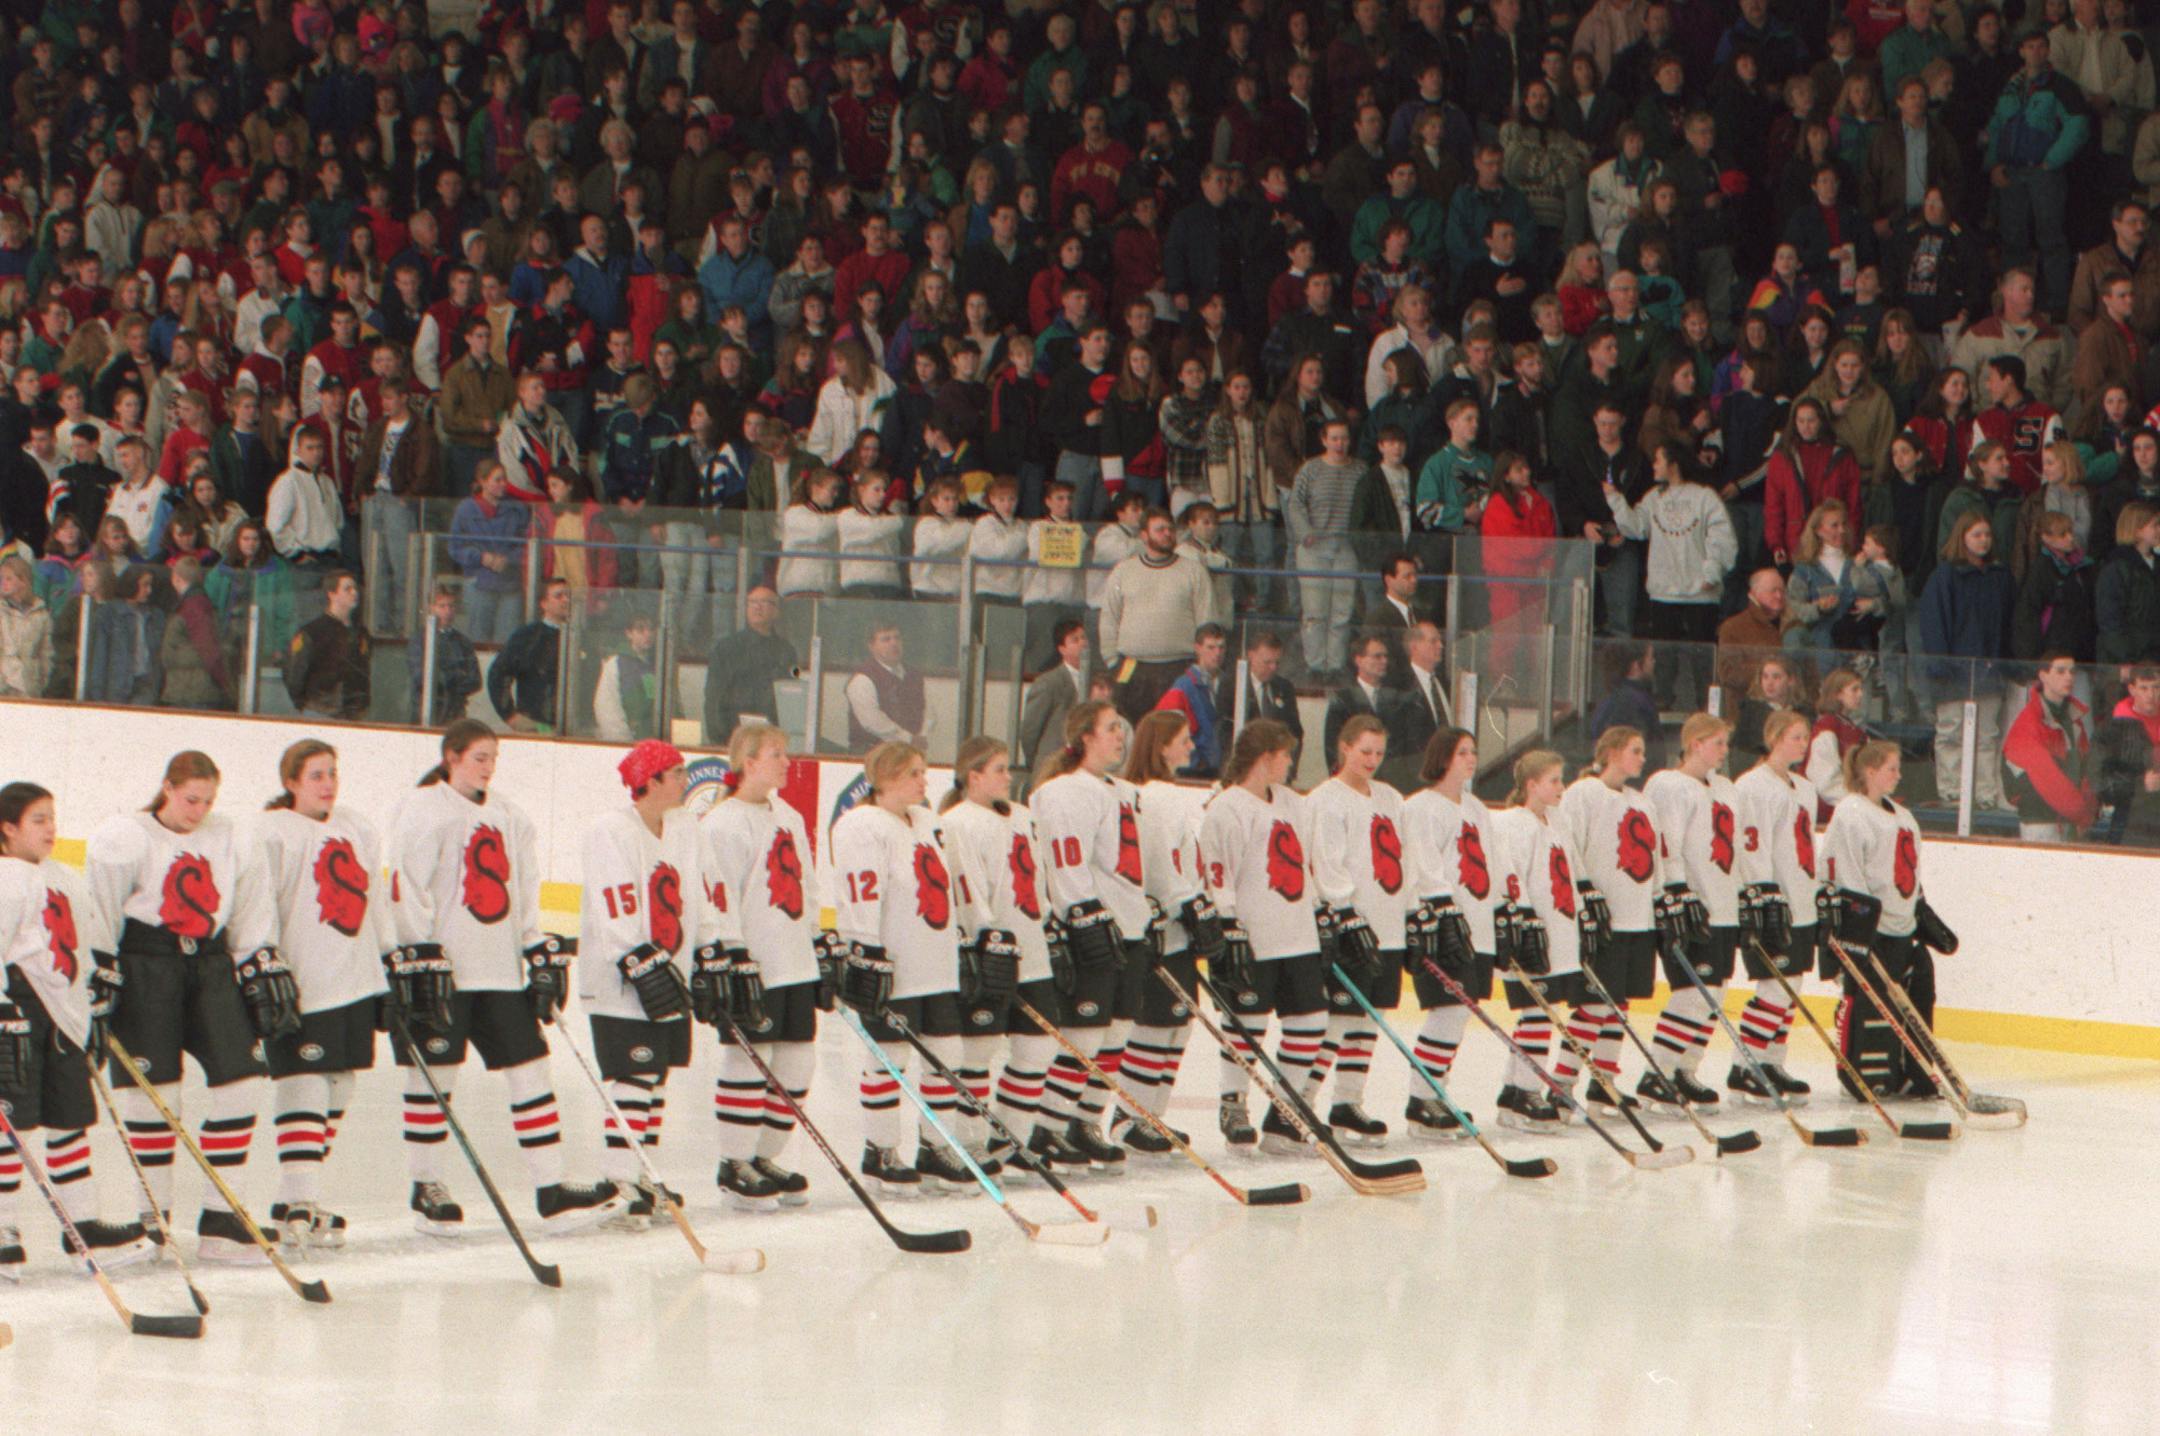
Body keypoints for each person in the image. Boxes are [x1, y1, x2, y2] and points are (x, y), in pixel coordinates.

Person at [388, 721, 629, 1234]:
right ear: (451, 757)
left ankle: (551, 1188)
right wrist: (417, 952)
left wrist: (535, 948)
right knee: (434, 1079)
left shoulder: (511, 817)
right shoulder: (423, 809)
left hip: (499, 973)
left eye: (493, 757)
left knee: (531, 1070)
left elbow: (523, 891)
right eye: (479, 757)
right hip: (443, 974)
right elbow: (407, 887)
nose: (489, 766)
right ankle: (427, 1185)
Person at [89, 751, 286, 1260]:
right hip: (146, 965)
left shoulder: (232, 836)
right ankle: (153, 1218)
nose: (199, 810)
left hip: (212, 966)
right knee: (154, 1097)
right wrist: (100, 972)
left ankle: (223, 1217)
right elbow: (101, 907)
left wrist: (256, 961)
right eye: (190, 798)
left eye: (208, 800)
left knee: (243, 1083)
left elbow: (250, 907)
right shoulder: (128, 835)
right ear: (167, 789)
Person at [0, 781, 153, 1275]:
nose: (50, 828)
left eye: (52, 817)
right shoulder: (3, 878)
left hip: (65, 1014)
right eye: (38, 820)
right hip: (20, 1010)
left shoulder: (65, 876)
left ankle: (81, 1226)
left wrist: (94, 1002)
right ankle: (3, 1227)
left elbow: (82, 946)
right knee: (11, 1125)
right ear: (7, 828)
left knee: (70, 1119)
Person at [255, 741, 394, 1249]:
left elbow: (373, 897)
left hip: (355, 976)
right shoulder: (272, 831)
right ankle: (300, 1201)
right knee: (305, 1082)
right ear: (291, 781)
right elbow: (259, 902)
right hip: (302, 979)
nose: (328, 783)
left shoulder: (357, 827)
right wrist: (263, 959)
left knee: (339, 1084)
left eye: (333, 772)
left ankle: (297, 1192)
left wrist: (391, 957)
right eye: (316, 775)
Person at [829, 739, 974, 1194]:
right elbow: (860, 891)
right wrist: (865, 949)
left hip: (936, 962)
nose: (923, 780)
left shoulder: (930, 821)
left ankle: (936, 1148)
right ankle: (881, 1151)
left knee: (946, 1056)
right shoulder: (861, 824)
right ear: (887, 778)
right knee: (889, 1059)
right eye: (913, 772)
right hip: (892, 964)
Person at [700, 723, 828, 1207]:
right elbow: (718, 897)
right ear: (748, 762)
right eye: (776, 753)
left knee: (797, 1065)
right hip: (754, 964)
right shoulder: (721, 823)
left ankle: (763, 1157)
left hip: (795, 961)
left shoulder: (790, 815)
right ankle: (734, 1164)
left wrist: (820, 942)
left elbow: (808, 886)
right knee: (749, 1062)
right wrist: (732, 955)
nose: (786, 761)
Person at [575, 740, 699, 1225]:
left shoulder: (683, 829)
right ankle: (620, 1178)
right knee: (634, 1074)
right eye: (677, 773)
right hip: (621, 980)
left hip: (669, 971)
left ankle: (642, 1171)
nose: (685, 780)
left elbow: (696, 894)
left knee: (656, 1077)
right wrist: (639, 960)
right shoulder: (611, 830)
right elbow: (615, 901)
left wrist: (703, 955)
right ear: (649, 781)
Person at [1029, 701, 1147, 1168]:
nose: (1120, 736)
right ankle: (1050, 1124)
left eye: (1122, 728)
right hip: (1094, 928)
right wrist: (1081, 914)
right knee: (1085, 1034)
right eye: (1111, 729)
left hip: (1129, 926)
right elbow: (1065, 859)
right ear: (1085, 738)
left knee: (1116, 1034)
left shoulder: (1122, 790)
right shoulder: (1066, 791)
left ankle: (1085, 1120)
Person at [933, 736, 1062, 1164]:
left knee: (1037, 1047)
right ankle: (968, 1140)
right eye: (1000, 769)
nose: (1010, 777)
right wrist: (983, 933)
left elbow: (1039, 876)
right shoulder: (957, 822)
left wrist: (1050, 919)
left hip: (1032, 951)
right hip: (991, 954)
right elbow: (966, 886)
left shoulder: (1022, 817)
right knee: (978, 1052)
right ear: (974, 776)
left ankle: (1009, 1135)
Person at [1821, 739, 1956, 1098]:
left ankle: (1912, 1071)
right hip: (1871, 928)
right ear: (1869, 771)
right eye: (1891, 768)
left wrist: (1920, 911)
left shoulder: (1904, 817)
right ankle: (1860, 1073)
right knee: (1866, 1000)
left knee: (1915, 997)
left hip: (1903, 927)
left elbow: (1910, 871)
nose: (1899, 775)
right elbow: (1845, 870)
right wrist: (1858, 926)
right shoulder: (1851, 811)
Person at [1113, 712, 1219, 1151]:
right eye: (1182, 739)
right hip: (1163, 925)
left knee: (1179, 1020)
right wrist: (1185, 905)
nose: (1191, 747)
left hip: (1176, 924)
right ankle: (1128, 1117)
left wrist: (1197, 903)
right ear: (1160, 746)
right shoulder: (1155, 796)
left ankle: (1150, 1114)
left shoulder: (1163, 794)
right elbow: (1159, 863)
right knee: (1158, 1021)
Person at [1303, 714, 1411, 1145]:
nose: (1372, 760)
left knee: (1368, 1020)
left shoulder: (1390, 797)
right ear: (1344, 747)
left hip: (1388, 927)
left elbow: (1405, 858)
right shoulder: (1325, 799)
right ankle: (1302, 1100)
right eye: (1364, 751)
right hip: (1351, 927)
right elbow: (1325, 860)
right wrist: (1344, 910)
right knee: (1338, 1019)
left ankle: (1348, 1103)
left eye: (1379, 753)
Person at [1557, 726, 1666, 1111]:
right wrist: (1583, 890)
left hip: (1637, 917)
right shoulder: (1583, 793)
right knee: (1594, 1004)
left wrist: (1661, 899)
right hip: (1602, 920)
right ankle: (1562, 1080)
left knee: (1618, 1004)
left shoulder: (1642, 801)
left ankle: (1604, 1082)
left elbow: (1655, 856)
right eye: (1636, 750)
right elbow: (1567, 846)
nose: (1642, 758)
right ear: (1614, 752)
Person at [1640, 713, 1742, 1110]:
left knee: (1714, 994)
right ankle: (1658, 1072)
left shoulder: (1726, 788)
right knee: (1691, 993)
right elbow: (1666, 844)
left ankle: (1685, 1070)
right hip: (1692, 905)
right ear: (1695, 743)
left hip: (1724, 906)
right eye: (1718, 742)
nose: (1725, 750)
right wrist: (1676, 890)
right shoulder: (1668, 785)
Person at [1726, 710, 1821, 1102]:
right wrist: (1762, 894)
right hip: (1774, 901)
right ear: (1775, 737)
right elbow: (1751, 844)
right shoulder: (1753, 785)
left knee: (1792, 985)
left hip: (1801, 901)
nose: (1803, 744)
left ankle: (1770, 1063)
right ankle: (1744, 1065)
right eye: (1796, 737)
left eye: (1805, 737)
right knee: (1773, 985)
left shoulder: (1805, 788)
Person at [1604, 441, 1738, 710]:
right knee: (1664, 656)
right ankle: (1662, 703)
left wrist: (1712, 570)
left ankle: (1707, 709)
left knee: (1703, 657)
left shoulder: (1704, 497)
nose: (1654, 465)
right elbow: (1636, 527)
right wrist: (1615, 499)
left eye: (1658, 460)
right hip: (1664, 591)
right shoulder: (1654, 497)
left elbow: (1722, 537)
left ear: (1673, 463)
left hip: (1701, 592)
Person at [1918, 513, 2017, 811]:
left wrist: (2005, 664)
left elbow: (2009, 624)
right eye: (1976, 534)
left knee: (1987, 735)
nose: (1983, 540)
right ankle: (1952, 791)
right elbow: (1934, 625)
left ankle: (1985, 793)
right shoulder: (1944, 576)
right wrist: (1941, 667)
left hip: (1989, 672)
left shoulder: (2000, 577)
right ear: (1962, 538)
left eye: (1987, 534)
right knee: (1951, 732)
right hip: (1952, 674)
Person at [1097, 506, 1217, 719]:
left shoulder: (1194, 572)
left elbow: (1207, 623)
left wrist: (1202, 667)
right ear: (1144, 535)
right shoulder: (1124, 571)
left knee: (1176, 735)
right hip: (1132, 667)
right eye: (1160, 529)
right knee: (1132, 736)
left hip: (1180, 666)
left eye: (1170, 529)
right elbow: (1109, 618)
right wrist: (1113, 662)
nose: (1167, 534)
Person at [2002, 652, 2097, 842]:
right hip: (2040, 822)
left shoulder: (2072, 719)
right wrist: (2084, 815)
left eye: (2072, 671)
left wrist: (2086, 812)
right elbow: (2050, 782)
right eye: (2060, 671)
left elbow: (2084, 770)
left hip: (2066, 820)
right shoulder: (2029, 724)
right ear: (2043, 675)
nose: (2069, 677)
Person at [702, 586, 799, 744]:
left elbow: (794, 689)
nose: (757, 607)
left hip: (771, 738)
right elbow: (713, 697)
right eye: (752, 602)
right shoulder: (726, 648)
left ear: (776, 611)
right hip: (733, 737)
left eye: (764, 602)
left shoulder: (787, 652)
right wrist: (719, 738)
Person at [283, 569, 371, 719]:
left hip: (353, 714)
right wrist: (305, 705)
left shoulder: (361, 633)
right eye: (347, 589)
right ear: (332, 594)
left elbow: (363, 674)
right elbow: (294, 675)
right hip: (319, 712)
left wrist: (361, 705)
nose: (354, 593)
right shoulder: (312, 632)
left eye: (355, 588)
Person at [491, 577, 571, 733]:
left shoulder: (581, 636)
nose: (566, 600)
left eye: (568, 595)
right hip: (535, 724)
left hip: (574, 725)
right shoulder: (527, 636)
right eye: (558, 595)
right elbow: (498, 674)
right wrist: (510, 715)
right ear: (544, 603)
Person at [1153, 623, 1229, 778]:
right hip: (1193, 775)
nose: (1217, 653)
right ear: (1197, 648)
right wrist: (1195, 765)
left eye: (1221, 648)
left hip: (1218, 772)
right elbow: (1165, 733)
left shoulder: (1227, 684)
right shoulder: (1183, 688)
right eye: (1211, 647)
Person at [1017, 618, 1089, 778]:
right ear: (1062, 649)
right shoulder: (1048, 682)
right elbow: (1030, 730)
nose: (1082, 643)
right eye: (1075, 640)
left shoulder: (1095, 681)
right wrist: (1036, 761)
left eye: (1083, 637)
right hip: (1052, 766)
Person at [846, 622, 927, 751]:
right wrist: (908, 739)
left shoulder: (914, 675)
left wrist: (922, 734)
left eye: (897, 638)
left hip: (907, 753)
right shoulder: (862, 679)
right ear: (871, 646)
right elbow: (872, 721)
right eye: (886, 639)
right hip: (871, 755)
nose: (894, 643)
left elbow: (927, 710)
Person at [413, 585, 484, 725]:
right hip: (425, 712)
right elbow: (421, 676)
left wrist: (447, 679)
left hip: (456, 712)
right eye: (442, 606)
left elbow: (475, 681)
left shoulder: (463, 641)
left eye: (451, 606)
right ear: (431, 608)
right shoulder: (420, 639)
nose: (447, 611)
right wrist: (454, 677)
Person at [593, 614, 659, 741]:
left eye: (651, 629)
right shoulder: (615, 663)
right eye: (640, 630)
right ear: (629, 633)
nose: (648, 634)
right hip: (627, 741)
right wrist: (622, 741)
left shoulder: (659, 663)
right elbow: (607, 706)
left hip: (654, 741)